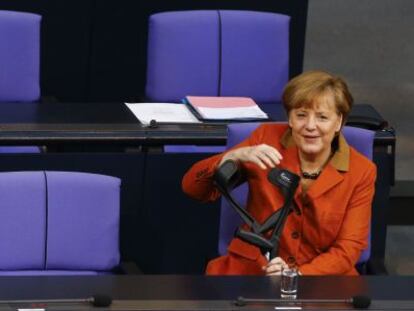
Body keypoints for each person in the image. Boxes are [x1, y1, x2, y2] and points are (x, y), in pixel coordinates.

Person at [182, 70, 377, 276]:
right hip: (254, 268)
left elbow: (348, 248)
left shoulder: (362, 171)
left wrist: (296, 276)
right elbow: (193, 189)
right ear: (290, 118)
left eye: (322, 117)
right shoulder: (265, 138)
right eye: (301, 115)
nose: (310, 126)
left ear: (339, 122)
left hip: (321, 276)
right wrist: (234, 156)